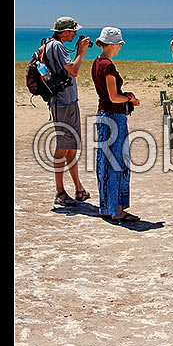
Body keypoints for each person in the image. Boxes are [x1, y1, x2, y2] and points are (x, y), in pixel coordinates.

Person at [91, 27, 141, 223]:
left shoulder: (96, 63)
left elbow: (107, 95)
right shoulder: (108, 66)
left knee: (104, 162)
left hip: (102, 115)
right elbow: (113, 97)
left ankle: (106, 206)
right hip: (114, 117)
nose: (120, 47)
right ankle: (117, 209)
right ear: (112, 44)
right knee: (117, 163)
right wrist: (130, 99)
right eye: (119, 43)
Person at [44, 16, 93, 207]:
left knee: (71, 145)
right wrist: (81, 52)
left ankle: (78, 189)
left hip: (66, 101)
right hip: (63, 102)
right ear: (65, 32)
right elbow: (73, 70)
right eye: (73, 31)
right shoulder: (57, 46)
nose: (75, 34)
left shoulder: (52, 45)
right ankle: (60, 191)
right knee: (62, 146)